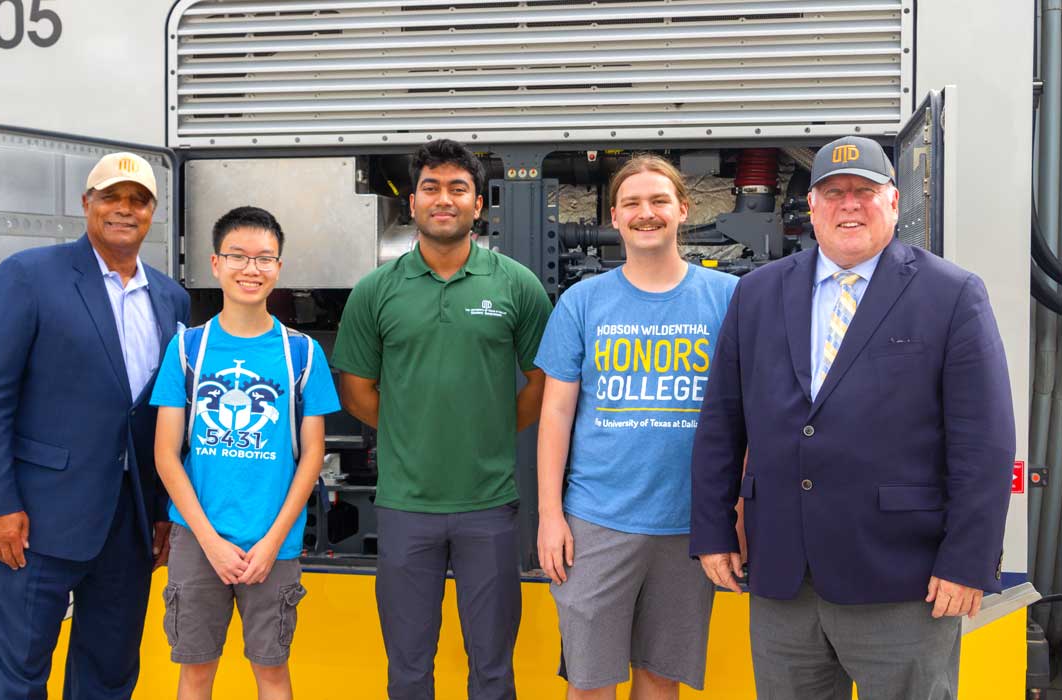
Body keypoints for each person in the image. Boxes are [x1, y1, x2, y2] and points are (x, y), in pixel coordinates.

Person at [690, 136, 1016, 700]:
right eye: (833, 192)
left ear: (892, 202)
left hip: (903, 579)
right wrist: (714, 530)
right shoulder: (757, 293)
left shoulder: (951, 294)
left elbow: (983, 443)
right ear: (811, 209)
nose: (849, 205)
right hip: (783, 578)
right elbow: (722, 420)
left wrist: (968, 560)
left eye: (864, 191)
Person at [0, 152, 191, 699]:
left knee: (110, 672)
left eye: (137, 200)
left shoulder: (171, 297)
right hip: (37, 520)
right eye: (110, 197)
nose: (124, 210)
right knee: (20, 672)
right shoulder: (28, 276)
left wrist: (160, 511)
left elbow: (161, 415)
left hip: (129, 524)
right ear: (86, 204)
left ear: (152, 212)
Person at [332, 138, 553, 700]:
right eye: (431, 187)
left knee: (494, 672)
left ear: (480, 204)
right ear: (412, 202)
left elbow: (541, 384)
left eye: (458, 188)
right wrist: (411, 426)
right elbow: (356, 390)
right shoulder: (375, 291)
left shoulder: (516, 286)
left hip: (492, 508)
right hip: (406, 507)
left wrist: (490, 430)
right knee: (407, 672)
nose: (444, 199)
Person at [535, 154, 736, 699]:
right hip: (596, 522)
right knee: (590, 682)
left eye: (658, 201)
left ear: (682, 211)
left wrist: (737, 509)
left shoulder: (727, 300)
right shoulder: (582, 303)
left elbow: (746, 414)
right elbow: (555, 413)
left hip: (689, 525)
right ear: (615, 218)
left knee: (659, 680)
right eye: (632, 204)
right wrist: (550, 516)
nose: (646, 213)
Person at [150, 206, 339, 700]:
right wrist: (210, 541)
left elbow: (312, 455)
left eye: (264, 259)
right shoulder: (187, 349)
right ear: (215, 263)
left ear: (279, 268)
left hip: (273, 544)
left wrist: (274, 540)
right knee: (195, 672)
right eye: (237, 256)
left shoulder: (301, 353)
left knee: (272, 671)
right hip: (197, 541)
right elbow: (166, 455)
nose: (250, 269)